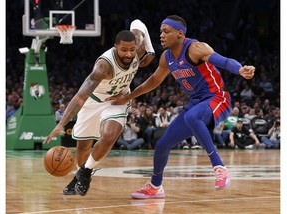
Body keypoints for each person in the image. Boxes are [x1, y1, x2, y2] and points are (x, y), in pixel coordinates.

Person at [107, 15, 255, 199]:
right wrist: (128, 97)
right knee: (162, 145)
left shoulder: (195, 48)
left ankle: (220, 167)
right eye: (160, 31)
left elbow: (223, 61)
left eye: (166, 31)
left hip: (216, 97)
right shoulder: (166, 57)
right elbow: (153, 81)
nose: (161, 35)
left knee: (192, 117)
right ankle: (155, 186)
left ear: (180, 34)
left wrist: (240, 69)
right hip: (195, 103)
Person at [43, 20, 155, 196]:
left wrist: (150, 51)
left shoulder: (138, 47)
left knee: (109, 135)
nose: (128, 54)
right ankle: (79, 174)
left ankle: (86, 171)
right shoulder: (103, 67)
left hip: (117, 100)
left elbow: (139, 24)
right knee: (83, 146)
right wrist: (61, 124)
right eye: (123, 50)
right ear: (115, 47)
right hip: (93, 101)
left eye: (132, 50)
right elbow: (80, 97)